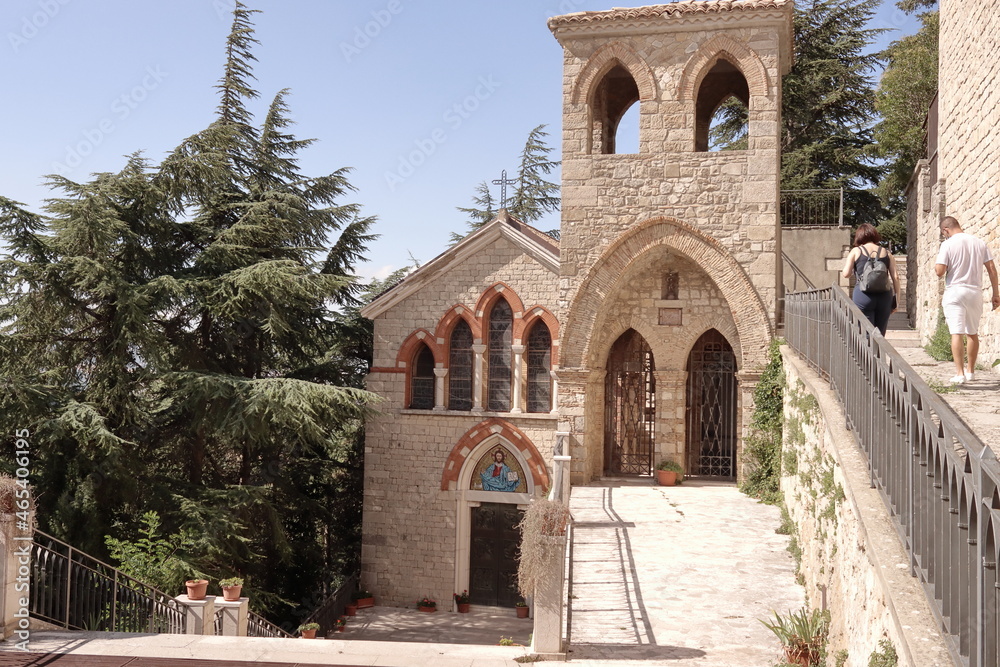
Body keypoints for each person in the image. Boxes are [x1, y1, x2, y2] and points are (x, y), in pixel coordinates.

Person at [934, 216, 999, 384]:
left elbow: (940, 271)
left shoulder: (947, 244)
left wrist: (940, 265)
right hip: (974, 291)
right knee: (972, 332)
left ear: (945, 230)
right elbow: (992, 269)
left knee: (956, 332)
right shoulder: (979, 243)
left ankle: (959, 373)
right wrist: (995, 293)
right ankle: (971, 371)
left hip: (955, 290)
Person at [841, 223, 900, 335]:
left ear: (859, 236)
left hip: (863, 295)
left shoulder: (856, 251)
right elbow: (896, 277)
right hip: (884, 296)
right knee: (880, 335)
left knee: (865, 333)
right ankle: (877, 353)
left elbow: (846, 274)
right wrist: (897, 301)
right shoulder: (887, 253)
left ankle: (867, 353)